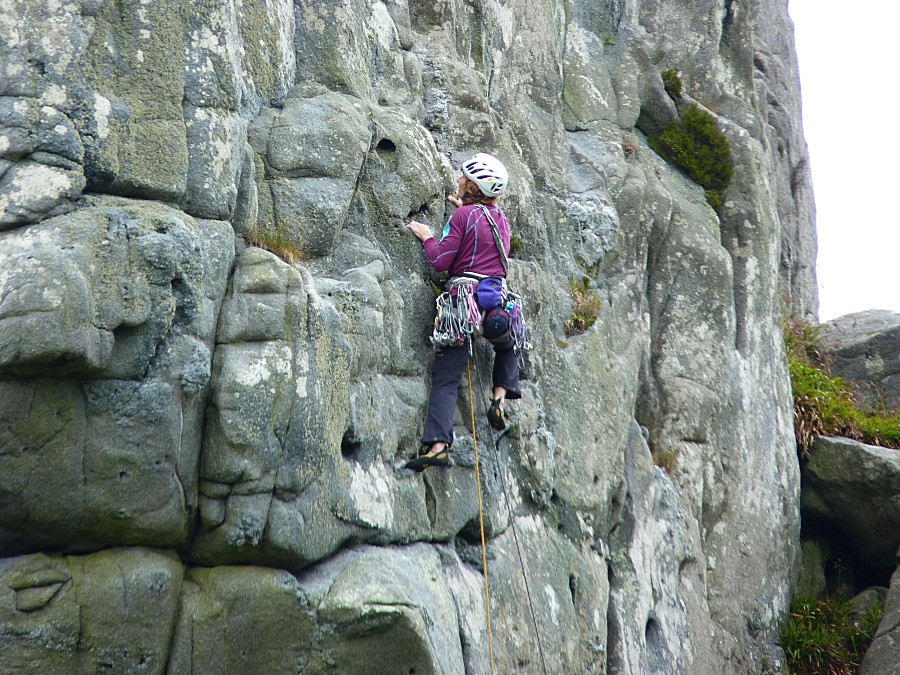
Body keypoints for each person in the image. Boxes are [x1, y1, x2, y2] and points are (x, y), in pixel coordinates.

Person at [404, 153, 521, 470]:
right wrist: (465, 217)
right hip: (495, 302)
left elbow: (441, 261)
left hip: (463, 305)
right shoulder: (502, 221)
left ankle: (438, 446)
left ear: (473, 185)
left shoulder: (463, 217)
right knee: (508, 343)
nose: (458, 180)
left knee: (446, 377)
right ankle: (498, 398)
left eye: (463, 178)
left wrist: (429, 237)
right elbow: (488, 249)